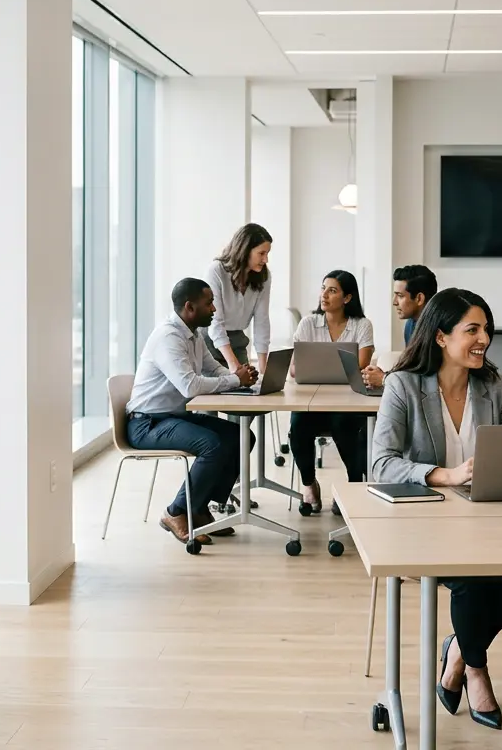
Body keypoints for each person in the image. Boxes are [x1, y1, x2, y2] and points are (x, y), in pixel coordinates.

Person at [371, 288, 502, 730]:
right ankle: (475, 670)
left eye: (487, 330)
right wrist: (445, 474)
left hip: (487, 519)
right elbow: (381, 463)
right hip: (424, 521)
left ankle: (458, 651)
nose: (484, 340)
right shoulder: (403, 385)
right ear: (441, 337)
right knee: (473, 578)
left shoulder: (493, 386)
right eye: (472, 330)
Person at [127, 278, 259, 545]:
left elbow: (213, 369)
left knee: (240, 437)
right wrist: (235, 380)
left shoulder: (194, 334)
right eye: (209, 303)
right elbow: (189, 386)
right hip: (147, 423)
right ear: (189, 307)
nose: (214, 309)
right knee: (212, 445)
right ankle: (176, 512)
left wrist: (240, 378)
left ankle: (197, 509)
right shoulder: (168, 337)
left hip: (173, 416)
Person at [289, 270, 374, 515]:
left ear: (347, 298)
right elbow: (294, 368)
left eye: (332, 290)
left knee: (344, 423)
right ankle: (309, 485)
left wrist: (318, 366)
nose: (324, 295)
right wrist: (338, 367)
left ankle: (352, 487)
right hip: (312, 400)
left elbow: (362, 363)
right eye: (323, 288)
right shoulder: (308, 323)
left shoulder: (362, 325)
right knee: (298, 425)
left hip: (348, 401)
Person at [204, 223, 272, 373]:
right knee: (220, 384)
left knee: (247, 383)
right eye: (261, 253)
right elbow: (215, 323)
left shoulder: (264, 277)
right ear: (245, 250)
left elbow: (262, 321)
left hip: (238, 340)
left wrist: (264, 369)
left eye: (267, 253)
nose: (266, 259)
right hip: (210, 341)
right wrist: (233, 364)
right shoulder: (216, 271)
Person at [362, 265, 437, 389]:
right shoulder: (410, 324)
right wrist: (384, 376)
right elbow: (412, 369)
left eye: (400, 296)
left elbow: (428, 379)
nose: (394, 302)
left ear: (419, 298)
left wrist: (384, 379)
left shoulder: (439, 330)